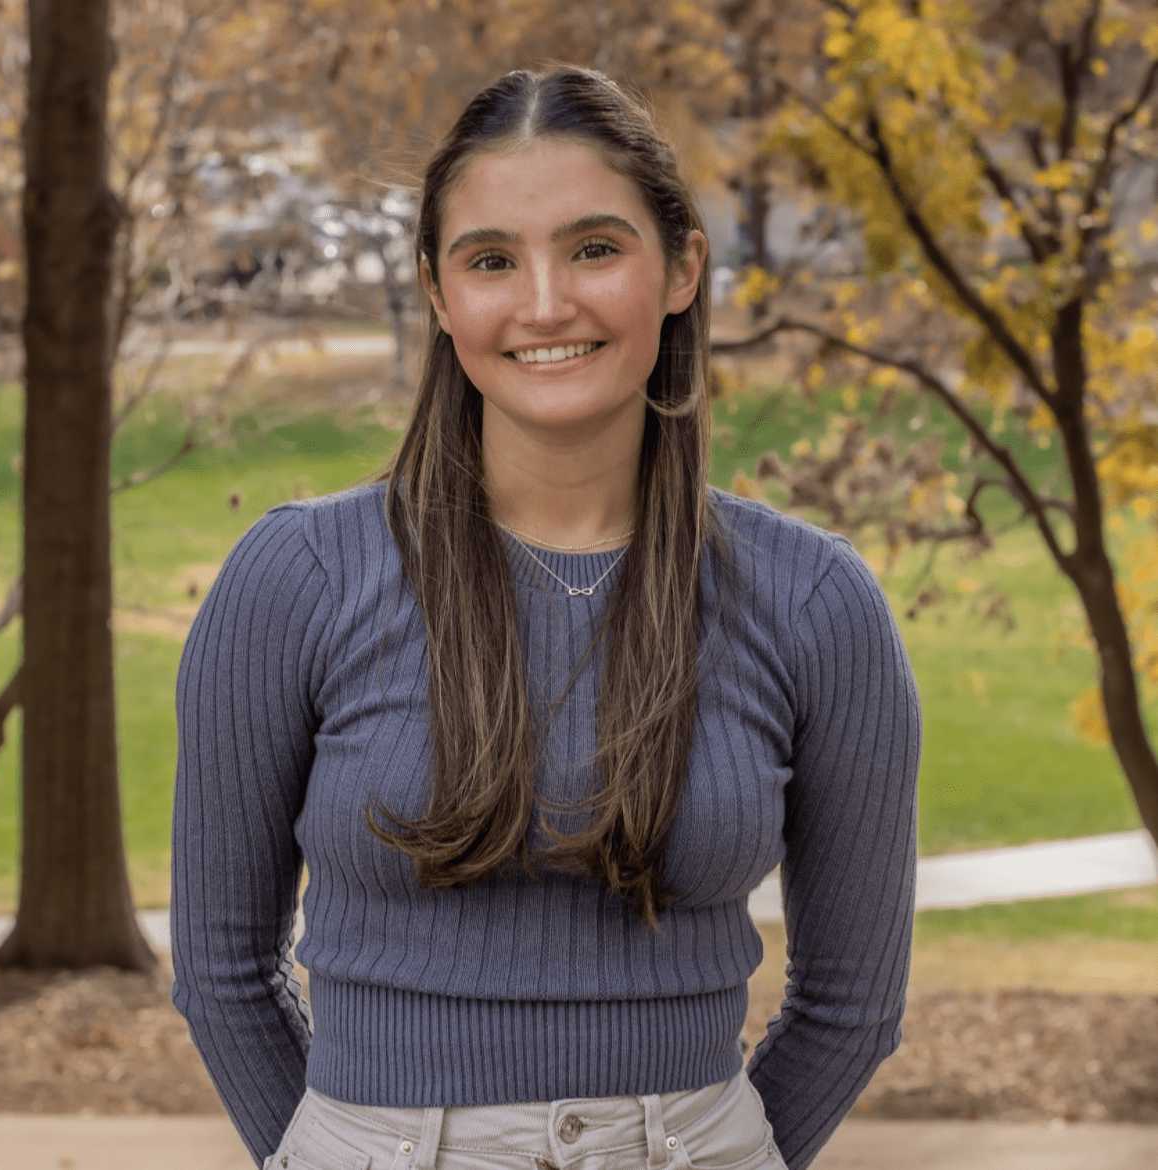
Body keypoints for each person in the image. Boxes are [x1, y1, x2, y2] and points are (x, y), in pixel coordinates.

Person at [171, 66, 920, 1170]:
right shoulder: (298, 579)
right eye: (490, 261)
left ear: (682, 268)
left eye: (595, 249)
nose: (544, 304)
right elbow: (224, 971)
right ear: (437, 294)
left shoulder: (814, 601)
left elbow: (853, 1004)